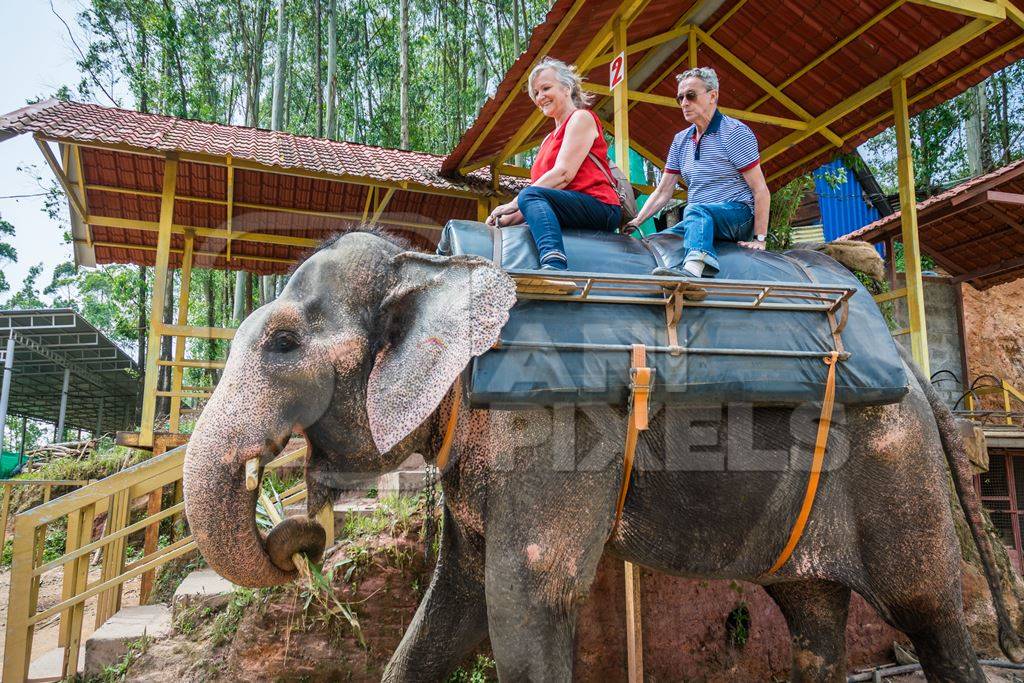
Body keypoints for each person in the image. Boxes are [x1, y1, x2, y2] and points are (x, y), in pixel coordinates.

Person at [625, 67, 770, 278]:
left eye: (690, 96)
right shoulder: (680, 140)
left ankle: (693, 271)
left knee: (695, 210)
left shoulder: (734, 133)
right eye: (680, 98)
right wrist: (637, 221)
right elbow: (663, 191)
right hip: (700, 220)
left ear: (713, 96)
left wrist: (759, 239)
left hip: (738, 215)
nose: (684, 103)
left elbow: (760, 190)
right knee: (657, 240)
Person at [485, 57, 621, 271]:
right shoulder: (547, 140)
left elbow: (563, 175)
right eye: (536, 93)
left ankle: (555, 263)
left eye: (546, 88)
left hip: (600, 206)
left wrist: (515, 201)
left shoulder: (581, 118)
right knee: (528, 198)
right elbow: (538, 200)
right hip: (566, 206)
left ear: (567, 88)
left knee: (529, 194)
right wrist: (503, 220)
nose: (540, 97)